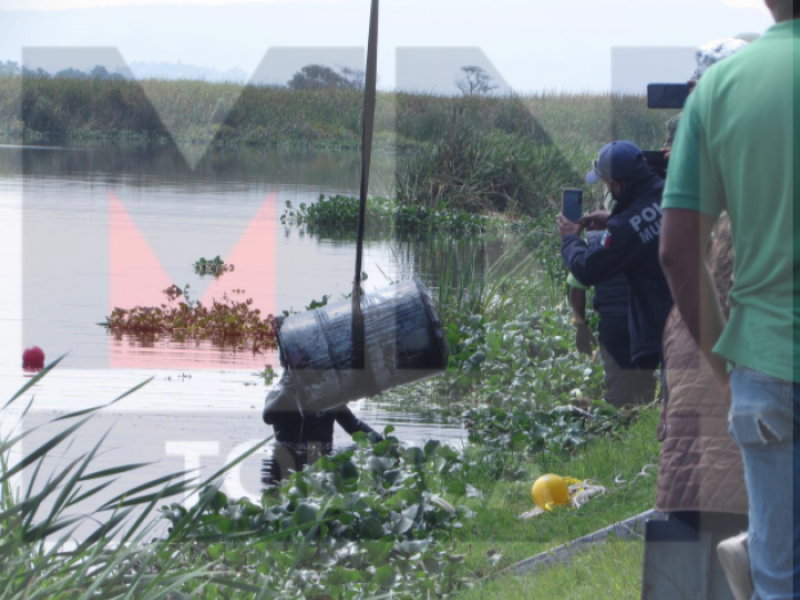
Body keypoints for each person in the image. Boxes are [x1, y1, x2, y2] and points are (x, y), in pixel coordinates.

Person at [659, 2, 798, 598]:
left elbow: (676, 252)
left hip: (766, 371)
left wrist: (724, 371)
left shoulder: (723, 86)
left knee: (778, 573)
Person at [657, 214, 749, 600]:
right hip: (751, 499)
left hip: (681, 495)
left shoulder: (680, 314)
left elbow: (666, 411)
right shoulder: (771, 315)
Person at [559, 140, 673, 373]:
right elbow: (647, 220)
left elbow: (587, 270)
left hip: (660, 326)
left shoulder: (624, 229)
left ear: (616, 185)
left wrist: (570, 239)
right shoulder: (671, 188)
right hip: (693, 315)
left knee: (653, 403)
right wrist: (613, 218)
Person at [567, 194, 657, 408]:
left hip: (613, 322)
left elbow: (577, 289)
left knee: (618, 385)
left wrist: (580, 325)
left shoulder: (592, 242)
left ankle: (616, 420)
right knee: (645, 378)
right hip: (645, 320)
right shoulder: (648, 234)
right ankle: (643, 410)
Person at [262, 372, 383, 484]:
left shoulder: (330, 397)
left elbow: (354, 426)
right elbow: (267, 417)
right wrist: (286, 394)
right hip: (286, 459)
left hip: (322, 460)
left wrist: (382, 443)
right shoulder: (278, 395)